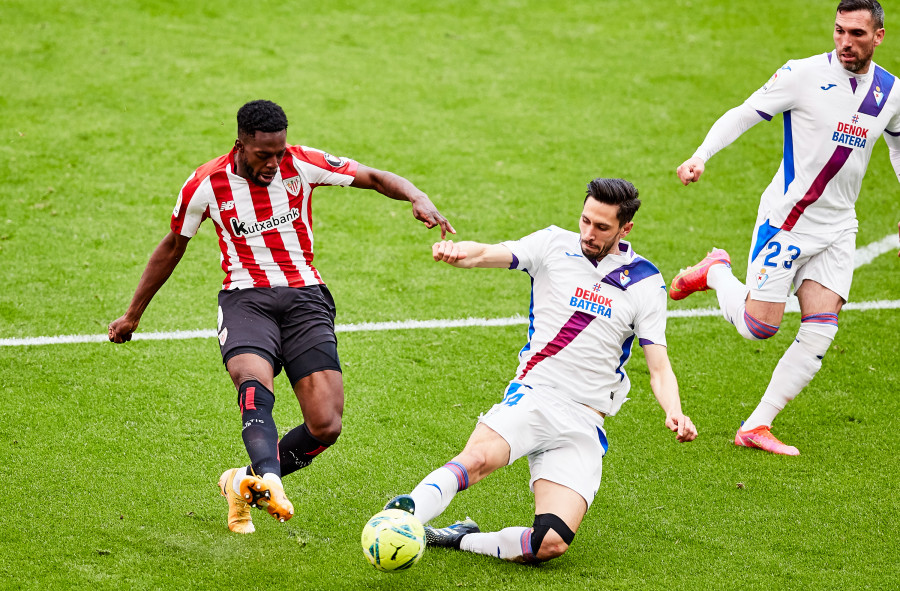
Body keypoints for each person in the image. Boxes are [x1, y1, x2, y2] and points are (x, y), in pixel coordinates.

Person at [108, 100, 454, 534]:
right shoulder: (205, 184)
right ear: (240, 144)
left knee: (326, 425)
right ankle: (269, 480)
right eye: (263, 155)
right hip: (245, 300)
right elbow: (172, 247)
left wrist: (416, 196)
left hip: (305, 298)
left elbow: (375, 177)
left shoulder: (302, 163)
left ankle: (243, 481)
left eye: (279, 152)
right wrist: (132, 315)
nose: (273, 163)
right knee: (253, 384)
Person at [381, 178, 697, 564]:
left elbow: (659, 367)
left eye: (601, 227)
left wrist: (674, 410)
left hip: (584, 421)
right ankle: (403, 514)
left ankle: (460, 539)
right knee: (478, 460)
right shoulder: (553, 245)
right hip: (536, 394)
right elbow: (485, 253)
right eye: (585, 220)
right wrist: (455, 251)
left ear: (625, 228)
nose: (588, 233)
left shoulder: (646, 283)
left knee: (550, 544)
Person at [671, 0, 900, 456]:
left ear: (878, 36)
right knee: (759, 328)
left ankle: (756, 425)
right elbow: (744, 113)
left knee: (821, 327)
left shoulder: (890, 91)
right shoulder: (803, 74)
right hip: (787, 223)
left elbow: (898, 144)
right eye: (839, 31)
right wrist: (700, 155)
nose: (845, 42)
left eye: (857, 33)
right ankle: (715, 271)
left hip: (839, 227)